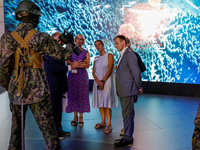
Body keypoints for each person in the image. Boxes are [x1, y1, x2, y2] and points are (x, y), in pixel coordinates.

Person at [0, 1, 76, 149]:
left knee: (15, 133)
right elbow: (63, 54)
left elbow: (2, 68)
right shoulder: (41, 37)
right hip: (38, 90)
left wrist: (9, 87)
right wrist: (70, 43)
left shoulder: (7, 38)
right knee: (49, 131)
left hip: (16, 89)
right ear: (33, 16)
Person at [43, 32, 81, 140]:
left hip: (57, 86)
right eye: (62, 40)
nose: (63, 43)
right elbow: (54, 68)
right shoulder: (51, 51)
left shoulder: (56, 51)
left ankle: (59, 130)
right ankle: (55, 133)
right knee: (54, 111)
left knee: (58, 110)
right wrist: (70, 67)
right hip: (53, 87)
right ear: (57, 41)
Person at [113, 35, 143, 147]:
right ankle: (127, 136)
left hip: (128, 90)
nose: (115, 46)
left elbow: (136, 71)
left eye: (117, 43)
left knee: (128, 115)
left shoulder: (129, 54)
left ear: (123, 42)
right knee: (126, 114)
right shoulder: (124, 54)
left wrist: (139, 87)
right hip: (124, 90)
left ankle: (128, 138)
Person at [119, 37, 146, 136]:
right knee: (128, 112)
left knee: (128, 112)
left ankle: (127, 133)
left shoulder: (131, 55)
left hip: (130, 87)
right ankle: (126, 130)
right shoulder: (123, 55)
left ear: (127, 43)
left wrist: (132, 76)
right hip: (127, 87)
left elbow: (141, 69)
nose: (116, 45)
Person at [92, 40, 118, 133]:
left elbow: (110, 69)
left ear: (103, 45)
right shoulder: (96, 58)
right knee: (100, 102)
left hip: (106, 82)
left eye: (99, 44)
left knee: (107, 103)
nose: (97, 47)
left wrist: (102, 81)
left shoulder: (109, 55)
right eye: (96, 45)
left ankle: (109, 124)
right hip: (98, 83)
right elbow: (93, 72)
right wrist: (98, 81)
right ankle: (103, 122)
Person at [66, 34, 90, 127]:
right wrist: (80, 63)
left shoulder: (86, 52)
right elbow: (67, 63)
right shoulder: (69, 51)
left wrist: (75, 64)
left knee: (82, 95)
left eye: (81, 39)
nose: (79, 41)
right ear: (75, 40)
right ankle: (75, 116)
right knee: (73, 95)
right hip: (72, 76)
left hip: (82, 76)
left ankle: (81, 116)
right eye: (78, 39)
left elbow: (87, 65)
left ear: (83, 41)